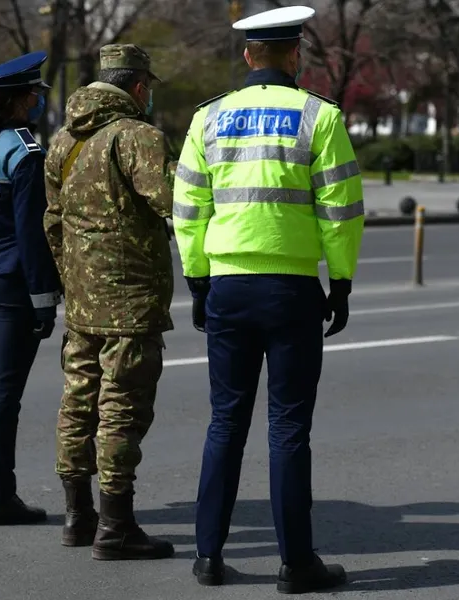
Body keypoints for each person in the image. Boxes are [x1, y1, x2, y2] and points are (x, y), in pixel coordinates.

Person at [172, 5, 364, 593]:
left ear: (249, 55)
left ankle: (208, 556)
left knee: (225, 422)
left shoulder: (207, 118)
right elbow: (341, 211)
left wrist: (198, 282)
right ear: (295, 55)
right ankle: (296, 564)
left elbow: (187, 210)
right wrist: (343, 282)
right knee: (287, 427)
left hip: (227, 286)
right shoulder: (319, 118)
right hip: (292, 291)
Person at [43, 44, 177, 560]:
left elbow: (52, 223)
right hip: (129, 302)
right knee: (121, 407)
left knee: (77, 402)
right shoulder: (136, 137)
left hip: (80, 302)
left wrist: (75, 277)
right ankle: (116, 525)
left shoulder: (63, 141)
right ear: (139, 88)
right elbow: (174, 203)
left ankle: (78, 517)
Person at [0, 51, 63, 527]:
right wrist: (44, 300)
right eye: (37, 96)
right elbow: (32, 232)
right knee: (3, 393)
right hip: (13, 281)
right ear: (24, 100)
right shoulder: (25, 151)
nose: (40, 102)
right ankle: (0, 498)